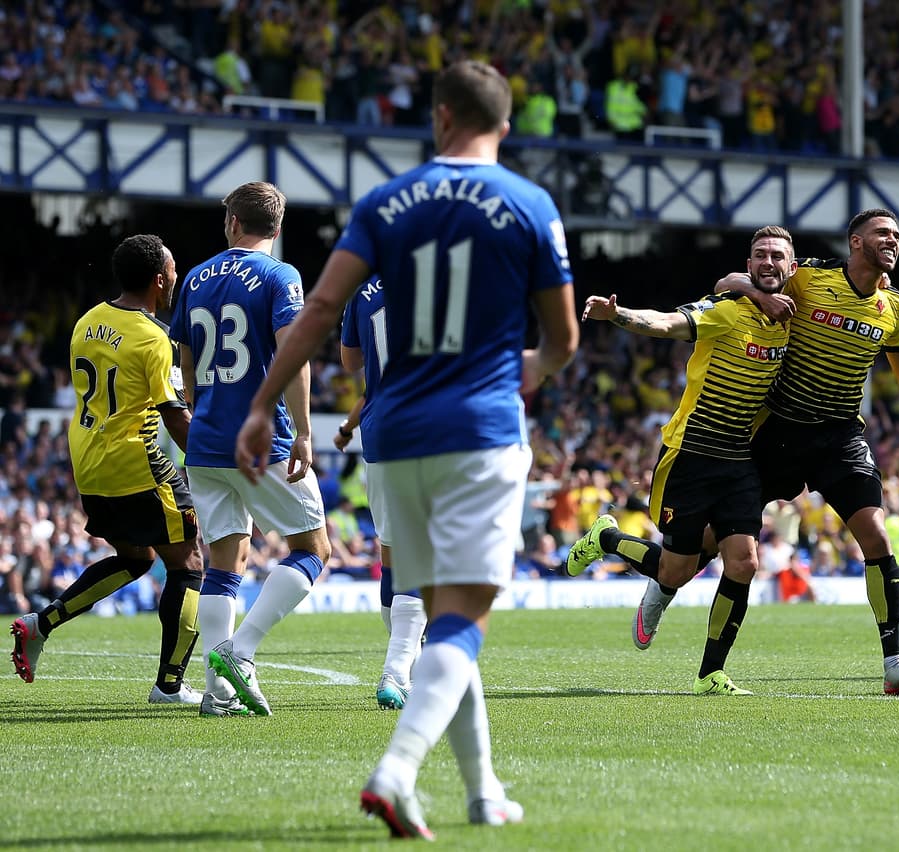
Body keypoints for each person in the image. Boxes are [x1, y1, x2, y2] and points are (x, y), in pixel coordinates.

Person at [234, 60, 578, 840]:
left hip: (395, 438)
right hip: (480, 432)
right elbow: (561, 338)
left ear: (441, 117)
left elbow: (322, 308)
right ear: (504, 124)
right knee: (463, 622)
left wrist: (264, 404)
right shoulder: (528, 202)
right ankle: (394, 772)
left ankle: (483, 790)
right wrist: (535, 368)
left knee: (441, 613)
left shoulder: (386, 201)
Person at [720, 208, 899, 695]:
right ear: (856, 242)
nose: (893, 241)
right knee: (710, 542)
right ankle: (660, 578)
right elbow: (731, 279)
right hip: (781, 430)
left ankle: (894, 664)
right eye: (883, 234)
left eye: (897, 235)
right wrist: (755, 294)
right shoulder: (808, 277)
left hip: (840, 437)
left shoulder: (897, 308)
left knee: (876, 536)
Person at [569, 226, 796, 696]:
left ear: (792, 268)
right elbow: (668, 322)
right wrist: (619, 316)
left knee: (744, 562)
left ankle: (711, 672)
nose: (768, 262)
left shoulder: (798, 315)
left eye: (777, 256)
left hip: (739, 459)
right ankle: (607, 537)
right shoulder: (728, 311)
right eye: (759, 256)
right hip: (689, 456)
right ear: (749, 265)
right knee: (675, 571)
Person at [9, 234, 204, 705]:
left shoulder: (87, 322)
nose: (176, 275)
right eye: (174, 268)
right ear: (160, 279)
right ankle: (170, 686)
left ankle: (39, 625)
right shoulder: (153, 337)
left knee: (137, 559)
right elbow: (174, 414)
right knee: (190, 563)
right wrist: (211, 464)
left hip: (91, 464)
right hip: (137, 462)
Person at [169, 181, 333, 717]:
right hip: (263, 439)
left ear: (233, 223)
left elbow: (187, 364)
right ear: (277, 228)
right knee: (313, 550)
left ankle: (218, 693)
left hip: (207, 440)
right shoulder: (280, 276)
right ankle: (239, 654)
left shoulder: (194, 276)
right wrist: (304, 430)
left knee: (227, 560)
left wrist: (201, 415)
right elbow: (295, 353)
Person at [332, 274, 428, 711]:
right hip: (428, 429)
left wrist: (350, 424)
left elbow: (354, 363)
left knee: (392, 551)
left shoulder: (364, 290)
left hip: (379, 434)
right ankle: (396, 670)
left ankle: (407, 661)